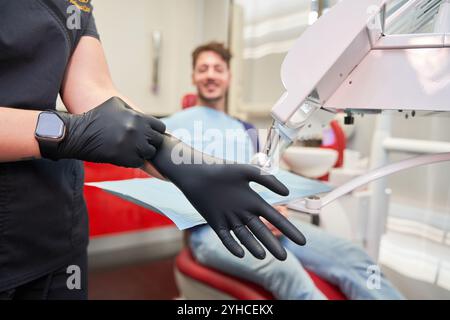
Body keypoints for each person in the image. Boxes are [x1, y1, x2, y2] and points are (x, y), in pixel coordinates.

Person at [0, 1, 305, 300]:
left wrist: (180, 160)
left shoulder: (75, 4)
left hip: (58, 233)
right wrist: (70, 132)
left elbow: (93, 89)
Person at [163, 41, 405, 300]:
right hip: (211, 230)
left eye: (217, 68)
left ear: (228, 76)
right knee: (284, 268)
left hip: (263, 223)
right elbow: (170, 190)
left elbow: (262, 180)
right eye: (203, 69)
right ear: (193, 76)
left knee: (353, 255)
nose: (210, 74)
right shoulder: (174, 128)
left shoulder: (246, 131)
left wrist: (276, 208)